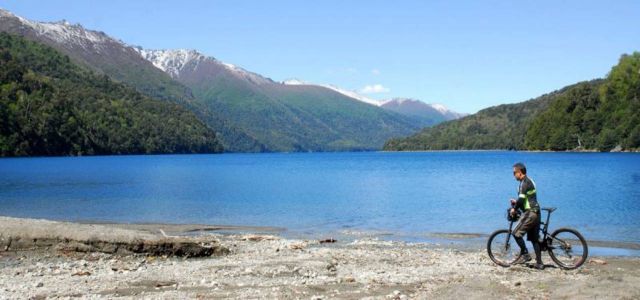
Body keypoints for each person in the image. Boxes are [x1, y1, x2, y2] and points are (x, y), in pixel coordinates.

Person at [510, 162, 544, 270]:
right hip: (536, 212)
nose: (513, 175)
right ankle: (539, 263)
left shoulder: (524, 183)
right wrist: (517, 202)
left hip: (530, 213)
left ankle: (525, 254)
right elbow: (527, 199)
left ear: (520, 172)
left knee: (516, 233)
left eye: (514, 172)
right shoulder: (530, 180)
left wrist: (514, 209)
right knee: (534, 239)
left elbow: (521, 199)